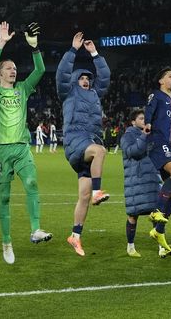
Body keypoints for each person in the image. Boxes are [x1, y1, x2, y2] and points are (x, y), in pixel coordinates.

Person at [0, 21, 53, 264]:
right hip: (0, 151)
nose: (13, 71)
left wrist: (34, 48)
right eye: (8, 68)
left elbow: (40, 70)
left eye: (14, 68)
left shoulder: (23, 89)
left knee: (32, 182)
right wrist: (1, 43)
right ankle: (6, 242)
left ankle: (35, 230)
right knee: (4, 198)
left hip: (22, 148)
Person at [56, 32, 112, 256]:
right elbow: (62, 74)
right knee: (100, 151)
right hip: (76, 141)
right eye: (81, 78)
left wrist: (94, 53)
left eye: (88, 78)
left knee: (84, 196)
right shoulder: (68, 91)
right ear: (74, 81)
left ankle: (75, 236)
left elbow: (105, 76)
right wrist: (73, 50)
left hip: (89, 142)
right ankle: (98, 190)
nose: (86, 80)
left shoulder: (96, 93)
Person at [144, 65, 171, 257]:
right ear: (161, 81)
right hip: (158, 142)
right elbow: (149, 110)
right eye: (170, 76)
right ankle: (157, 211)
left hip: (168, 146)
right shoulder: (157, 96)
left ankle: (158, 232)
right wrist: (148, 123)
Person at [120, 109, 162, 257]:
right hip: (135, 180)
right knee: (133, 215)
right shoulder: (127, 136)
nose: (145, 120)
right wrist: (144, 135)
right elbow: (134, 152)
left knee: (157, 214)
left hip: (152, 178)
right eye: (141, 118)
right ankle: (130, 246)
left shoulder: (152, 134)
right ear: (133, 122)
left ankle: (162, 246)